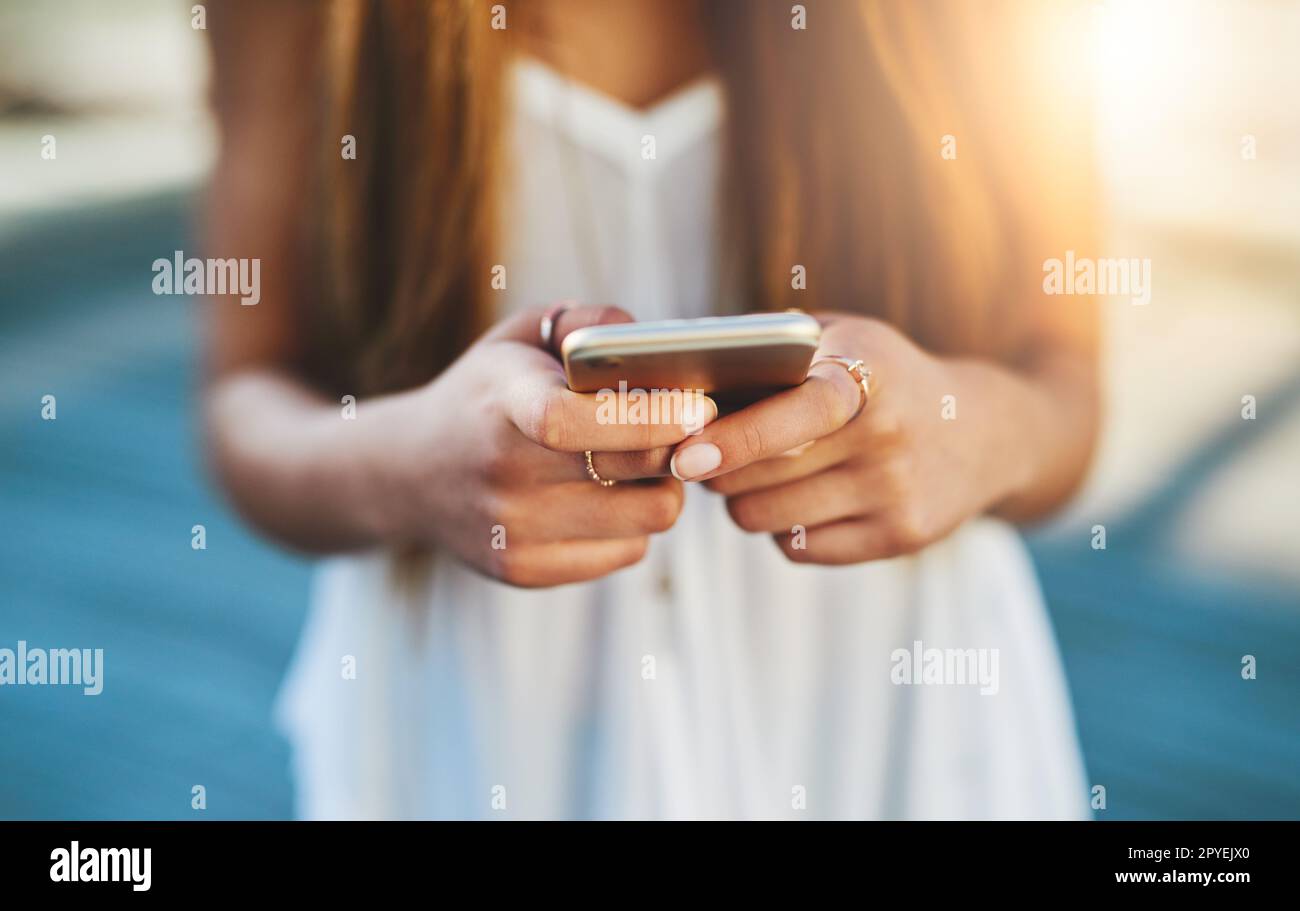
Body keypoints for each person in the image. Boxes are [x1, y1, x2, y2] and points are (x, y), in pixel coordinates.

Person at [204, 0, 1100, 818]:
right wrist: (412, 464)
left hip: (893, 721)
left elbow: (1069, 389)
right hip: (484, 732)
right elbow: (243, 398)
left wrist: (962, 429)